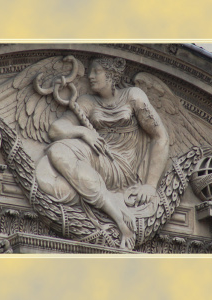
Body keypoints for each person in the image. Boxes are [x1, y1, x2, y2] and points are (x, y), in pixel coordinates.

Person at [35, 57, 169, 249]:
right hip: (97, 157)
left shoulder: (133, 96)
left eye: (96, 71)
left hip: (120, 167)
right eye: (90, 71)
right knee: (57, 151)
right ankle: (118, 214)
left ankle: (118, 216)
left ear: (111, 75)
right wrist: (83, 131)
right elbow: (56, 130)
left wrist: (150, 186)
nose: (90, 76)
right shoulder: (87, 102)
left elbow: (161, 137)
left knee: (61, 158)